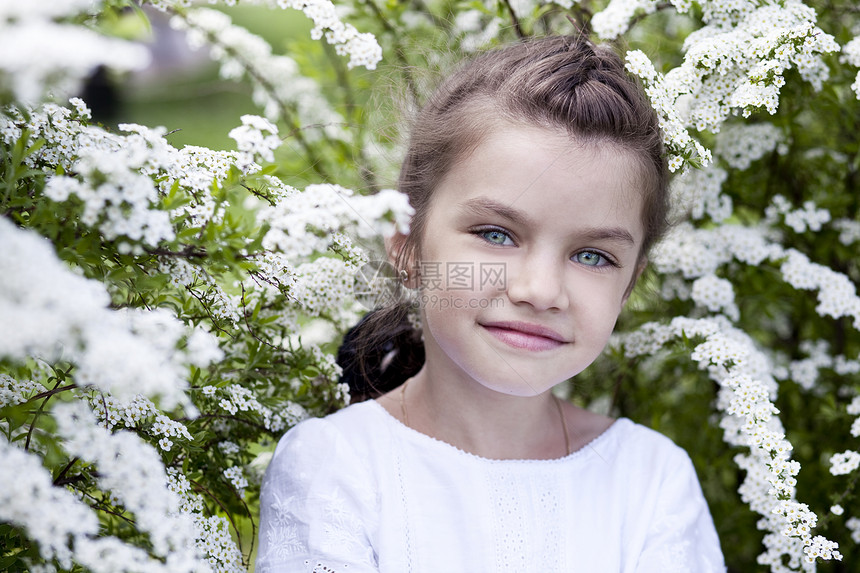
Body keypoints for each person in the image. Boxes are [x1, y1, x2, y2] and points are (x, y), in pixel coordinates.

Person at [255, 36, 726, 573]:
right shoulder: (336, 467)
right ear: (406, 243)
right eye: (497, 234)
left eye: (593, 256)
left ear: (629, 284)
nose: (541, 290)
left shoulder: (650, 480)